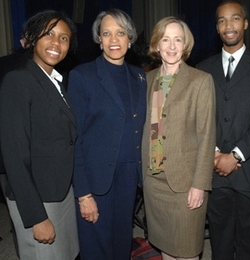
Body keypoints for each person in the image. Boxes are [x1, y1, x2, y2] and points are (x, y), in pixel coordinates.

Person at [196, 1, 250, 259]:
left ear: (245, 23)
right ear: (217, 27)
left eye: (234, 19)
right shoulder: (203, 69)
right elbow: (199, 119)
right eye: (221, 20)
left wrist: (235, 156)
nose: (228, 25)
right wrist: (213, 154)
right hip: (214, 174)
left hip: (249, 173)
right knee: (219, 244)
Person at [67, 9, 146, 260]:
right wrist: (83, 193)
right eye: (107, 33)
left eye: (120, 33)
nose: (114, 40)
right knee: (96, 247)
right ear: (99, 39)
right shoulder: (83, 76)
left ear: (130, 38)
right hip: (96, 181)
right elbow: (75, 139)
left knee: (122, 242)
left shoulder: (140, 77)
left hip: (128, 178)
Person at [0, 10, 79, 260]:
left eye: (64, 38)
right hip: (37, 197)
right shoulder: (18, 81)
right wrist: (36, 216)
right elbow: (14, 155)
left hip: (59, 190)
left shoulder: (55, 80)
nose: (56, 43)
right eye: (49, 34)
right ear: (33, 38)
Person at [142, 16, 216, 260]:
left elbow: (207, 136)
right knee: (165, 249)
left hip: (185, 184)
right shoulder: (148, 80)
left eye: (178, 40)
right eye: (166, 39)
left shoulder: (200, 80)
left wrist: (200, 184)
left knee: (186, 250)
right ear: (157, 44)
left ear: (185, 45)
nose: (172, 46)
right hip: (154, 183)